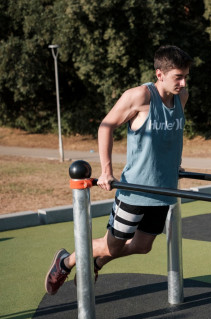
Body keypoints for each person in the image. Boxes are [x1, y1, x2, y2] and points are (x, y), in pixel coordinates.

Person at [45, 45, 192, 295]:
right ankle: (66, 261)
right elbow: (106, 126)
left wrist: (174, 164)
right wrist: (106, 170)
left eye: (186, 75)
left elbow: (170, 134)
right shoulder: (139, 97)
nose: (183, 81)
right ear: (160, 74)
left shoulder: (182, 97)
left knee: (143, 246)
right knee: (111, 245)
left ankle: (94, 262)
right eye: (178, 76)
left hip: (163, 188)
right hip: (135, 189)